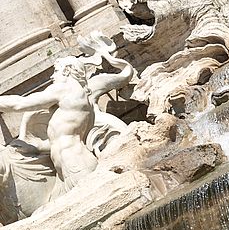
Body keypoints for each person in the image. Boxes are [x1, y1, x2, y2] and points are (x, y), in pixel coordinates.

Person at [0, 33, 135, 197]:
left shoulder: (66, 89)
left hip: (76, 166)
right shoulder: (75, 98)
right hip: (67, 171)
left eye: (56, 71)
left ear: (67, 70)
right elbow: (61, 138)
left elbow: (19, 104)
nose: (52, 76)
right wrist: (35, 147)